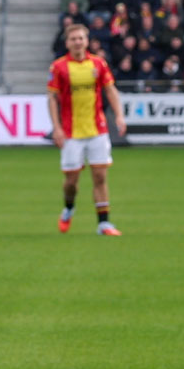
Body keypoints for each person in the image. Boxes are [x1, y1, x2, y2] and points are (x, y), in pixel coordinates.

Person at [47, 23, 128, 236]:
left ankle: (104, 224)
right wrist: (56, 128)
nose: (77, 42)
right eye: (73, 39)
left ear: (87, 40)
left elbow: (110, 90)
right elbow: (52, 99)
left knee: (100, 176)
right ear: (67, 43)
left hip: (97, 129)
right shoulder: (59, 67)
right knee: (71, 182)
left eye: (80, 38)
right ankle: (69, 208)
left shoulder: (98, 64)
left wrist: (119, 115)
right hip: (71, 132)